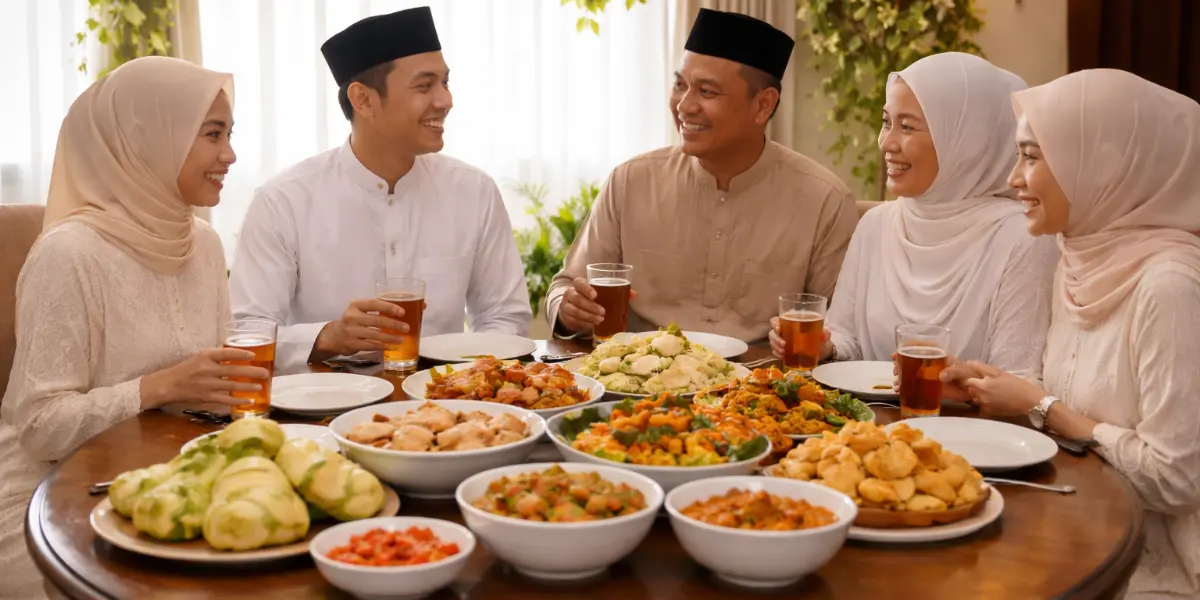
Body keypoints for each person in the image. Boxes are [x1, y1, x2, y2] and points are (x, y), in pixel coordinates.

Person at [0, 57, 265, 599]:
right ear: (150, 139)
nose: (229, 154)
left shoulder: (204, 242)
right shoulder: (69, 254)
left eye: (229, 134)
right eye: (212, 134)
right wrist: (161, 386)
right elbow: (40, 425)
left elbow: (217, 380)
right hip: (50, 503)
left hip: (164, 478)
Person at [942, 69, 1200, 598]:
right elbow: (1078, 403)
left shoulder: (1168, 286)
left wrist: (1042, 407)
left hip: (1150, 566)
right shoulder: (1079, 255)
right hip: (1075, 522)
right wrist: (996, 390)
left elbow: (1177, 481)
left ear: (1101, 164)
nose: (1013, 178)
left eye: (1032, 156)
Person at [229, 7, 531, 373]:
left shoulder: (473, 190)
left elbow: (505, 316)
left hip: (446, 404)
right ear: (364, 100)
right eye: (425, 85)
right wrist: (327, 337)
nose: (445, 100)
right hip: (319, 410)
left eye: (445, 83)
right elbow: (247, 333)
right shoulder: (283, 201)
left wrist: (468, 379)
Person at [547, 8, 857, 342]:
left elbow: (840, 332)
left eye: (706, 92)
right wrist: (568, 309)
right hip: (638, 382)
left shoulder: (823, 200)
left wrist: (823, 343)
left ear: (763, 106)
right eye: (680, 85)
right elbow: (565, 288)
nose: (684, 106)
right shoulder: (631, 181)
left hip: (760, 386)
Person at [769, 52, 1058, 378]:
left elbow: (1016, 380)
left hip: (971, 427)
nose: (886, 143)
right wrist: (824, 346)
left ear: (966, 140)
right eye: (886, 122)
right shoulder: (876, 225)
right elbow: (846, 340)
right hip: (865, 421)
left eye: (907, 126)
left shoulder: (1023, 238)